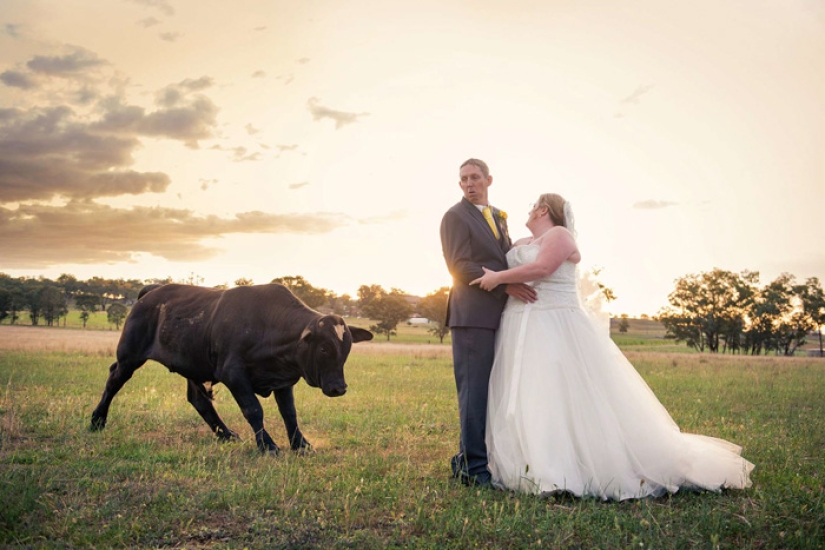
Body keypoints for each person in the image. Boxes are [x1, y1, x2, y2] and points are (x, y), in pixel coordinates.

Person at [471, 193, 754, 500]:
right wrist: (503, 281)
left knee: (557, 392)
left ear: (542, 209)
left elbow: (542, 269)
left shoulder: (559, 235)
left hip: (554, 325)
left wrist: (499, 278)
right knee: (530, 393)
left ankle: (561, 469)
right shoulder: (518, 243)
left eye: (532, 206)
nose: (528, 210)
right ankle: (527, 463)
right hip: (517, 325)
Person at [440, 159, 537, 487]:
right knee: (474, 392)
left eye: (475, 178)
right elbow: (459, 266)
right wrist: (506, 285)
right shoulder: (455, 217)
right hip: (471, 316)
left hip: (498, 315)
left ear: (488, 180)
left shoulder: (498, 216)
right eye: (464, 179)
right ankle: (473, 469)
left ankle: (465, 458)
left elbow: (503, 256)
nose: (470, 183)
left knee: (491, 390)